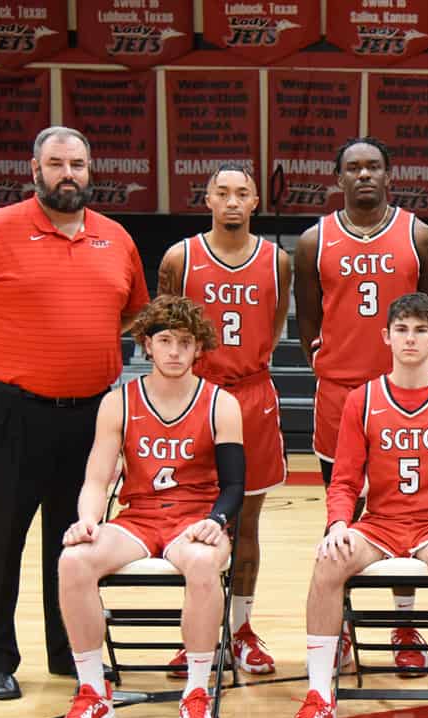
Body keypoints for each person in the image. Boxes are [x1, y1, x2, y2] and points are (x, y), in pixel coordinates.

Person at [0, 126, 150, 700]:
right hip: (11, 410)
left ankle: (71, 655)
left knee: (77, 539)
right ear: (35, 169)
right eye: (57, 163)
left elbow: (131, 315)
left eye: (77, 163)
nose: (68, 173)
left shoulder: (116, 238)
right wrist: (1, 353)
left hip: (90, 417)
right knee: (0, 536)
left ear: (90, 168)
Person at [277, 292, 428, 718]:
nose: (409, 339)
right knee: (327, 563)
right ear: (386, 336)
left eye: (419, 330)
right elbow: (345, 479)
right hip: (380, 523)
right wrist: (337, 523)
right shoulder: (363, 398)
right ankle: (320, 701)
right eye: (401, 330)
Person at [47, 295, 244, 718]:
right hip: (137, 518)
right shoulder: (118, 403)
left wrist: (217, 521)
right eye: (165, 341)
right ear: (146, 346)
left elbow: (234, 486)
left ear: (199, 349)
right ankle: (94, 693)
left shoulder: (221, 403)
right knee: (73, 562)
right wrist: (87, 521)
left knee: (200, 562)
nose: (174, 351)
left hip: (195, 519)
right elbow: (97, 477)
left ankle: (195, 693)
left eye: (185, 342)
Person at [294, 137, 428, 676]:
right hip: (340, 394)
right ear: (338, 179)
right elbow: (307, 319)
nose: (364, 175)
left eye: (374, 167)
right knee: (344, 516)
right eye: (353, 168)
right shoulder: (313, 241)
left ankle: (405, 624)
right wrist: (326, 358)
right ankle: (341, 631)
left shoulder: (421, 237)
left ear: (390, 176)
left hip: (405, 395)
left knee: (403, 508)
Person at [156, 163, 291, 676]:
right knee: (194, 519)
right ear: (207, 199)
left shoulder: (277, 261)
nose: (232, 201)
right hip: (197, 398)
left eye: (242, 193)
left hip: (252, 395)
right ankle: (197, 632)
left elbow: (274, 328)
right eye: (222, 193)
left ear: (255, 201)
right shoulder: (180, 258)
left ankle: (240, 628)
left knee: (247, 523)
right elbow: (166, 327)